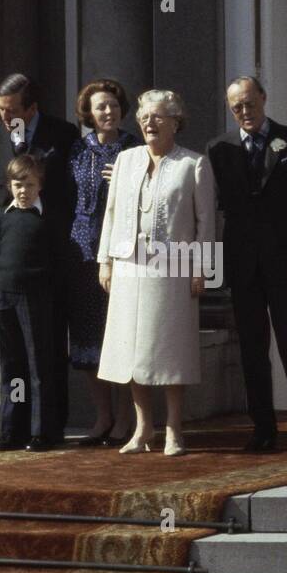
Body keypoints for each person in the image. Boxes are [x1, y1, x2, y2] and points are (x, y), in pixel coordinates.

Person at [207, 76, 287, 453]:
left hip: (283, 261)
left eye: (249, 103)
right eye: (236, 107)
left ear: (263, 97)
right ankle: (263, 430)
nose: (244, 111)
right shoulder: (218, 149)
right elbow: (215, 207)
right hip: (243, 265)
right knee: (252, 350)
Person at [97, 90, 216, 457]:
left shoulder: (193, 164)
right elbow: (112, 212)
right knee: (133, 350)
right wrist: (105, 260)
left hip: (174, 266)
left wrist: (203, 269)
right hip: (129, 265)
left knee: (169, 350)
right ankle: (143, 427)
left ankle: (174, 429)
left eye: (159, 116)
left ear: (175, 122)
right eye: (145, 116)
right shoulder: (127, 160)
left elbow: (206, 221)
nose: (149, 122)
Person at [0, 73, 81, 439]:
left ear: (32, 108)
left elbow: (71, 194)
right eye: (0, 109)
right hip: (9, 265)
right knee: (13, 358)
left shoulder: (63, 135)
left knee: (44, 356)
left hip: (48, 264)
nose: (5, 117)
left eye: (13, 110)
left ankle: (46, 429)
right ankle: (12, 428)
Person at [66, 79, 137, 446]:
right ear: (89, 114)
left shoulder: (134, 148)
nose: (107, 112)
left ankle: (126, 418)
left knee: (120, 336)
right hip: (81, 251)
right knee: (88, 338)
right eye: (100, 107)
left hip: (121, 251)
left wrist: (126, 181)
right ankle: (102, 416)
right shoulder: (77, 149)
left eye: (112, 105)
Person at [0, 154, 62, 451]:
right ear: (10, 186)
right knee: (12, 366)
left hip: (34, 298)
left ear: (40, 186)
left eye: (30, 184)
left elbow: (57, 261)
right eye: (18, 185)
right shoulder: (3, 216)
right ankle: (12, 429)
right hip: (3, 296)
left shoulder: (48, 219)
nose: (24, 191)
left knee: (38, 366)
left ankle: (41, 431)